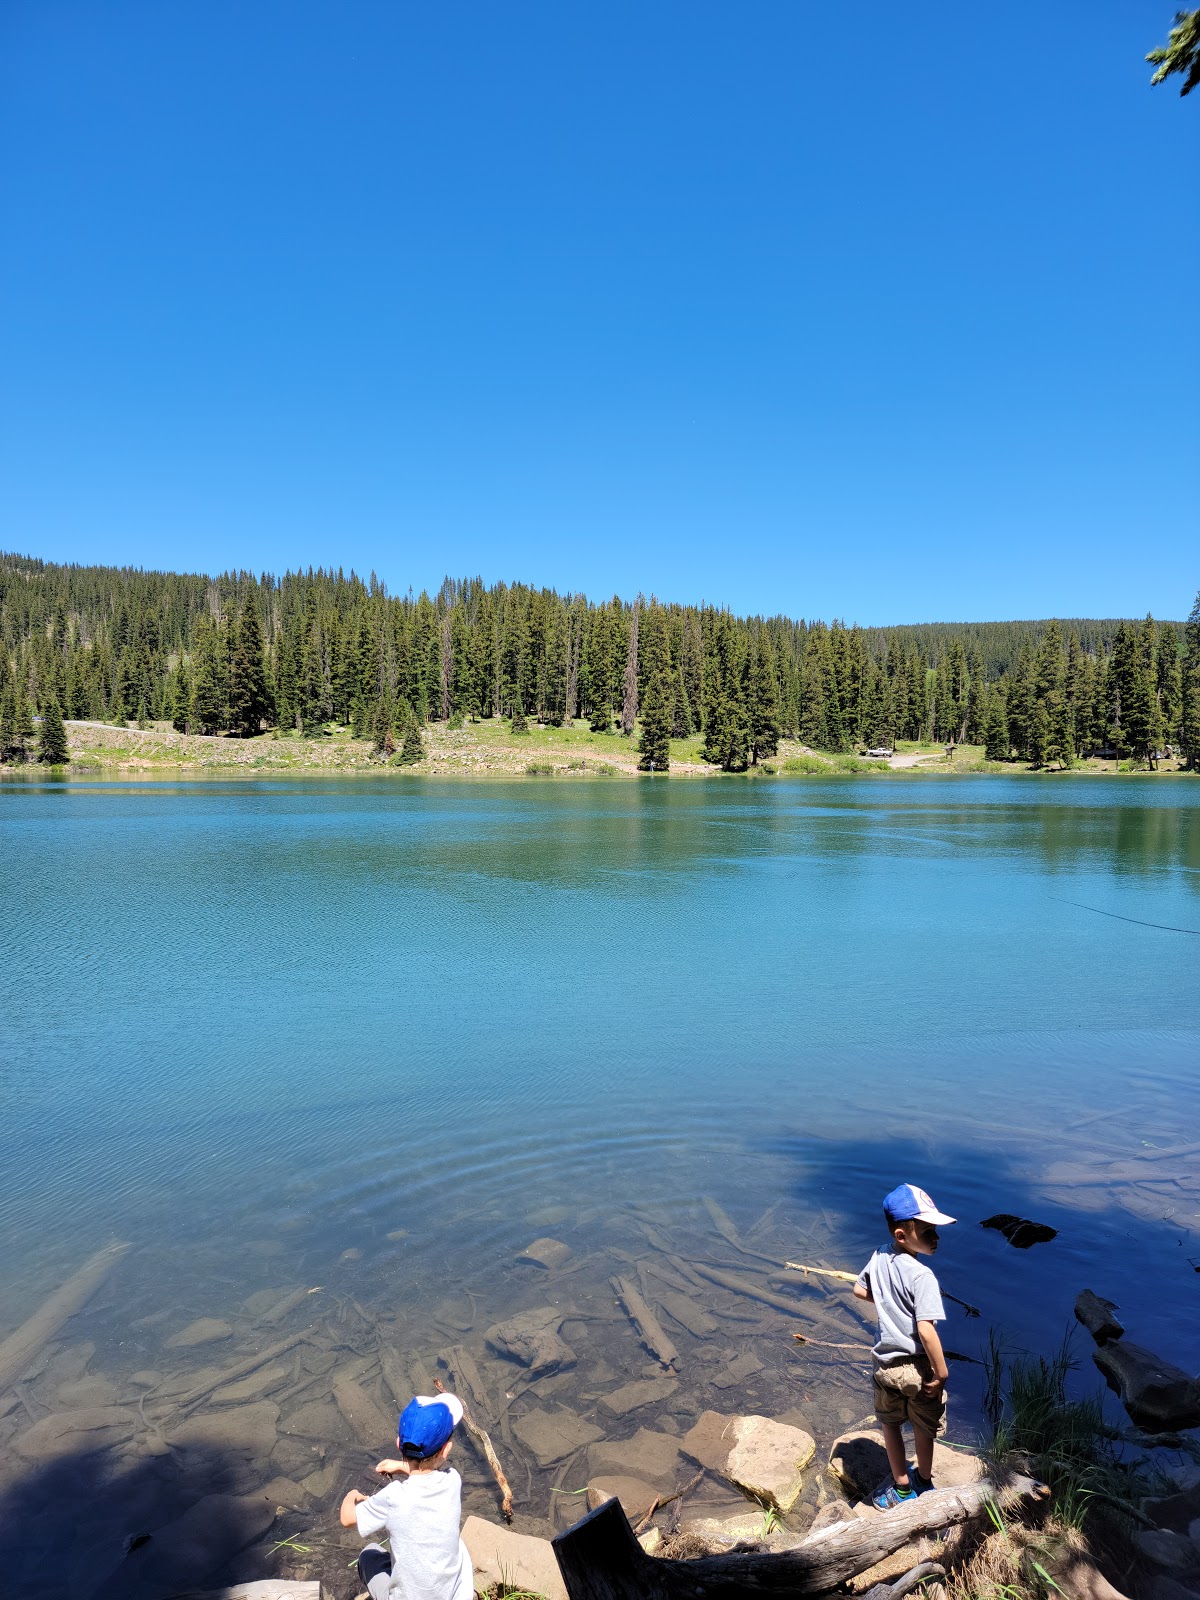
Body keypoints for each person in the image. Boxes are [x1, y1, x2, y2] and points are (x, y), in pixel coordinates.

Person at [853, 1183, 955, 1510]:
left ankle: (900, 1489)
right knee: (925, 1425)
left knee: (891, 1423)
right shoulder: (922, 1277)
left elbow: (858, 1290)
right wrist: (941, 1372)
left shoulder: (879, 1255)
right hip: (919, 1367)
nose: (936, 1238)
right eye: (929, 1232)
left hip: (885, 1363)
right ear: (902, 1234)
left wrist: (884, 1302)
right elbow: (926, 1330)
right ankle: (923, 1481)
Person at [338, 1391, 474, 1600]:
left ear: (398, 1443)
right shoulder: (453, 1480)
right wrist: (402, 1467)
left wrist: (351, 1495)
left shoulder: (394, 1497)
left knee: (370, 1554)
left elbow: (347, 1519)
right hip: (454, 1594)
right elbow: (428, 1475)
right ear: (446, 1450)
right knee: (460, 1545)